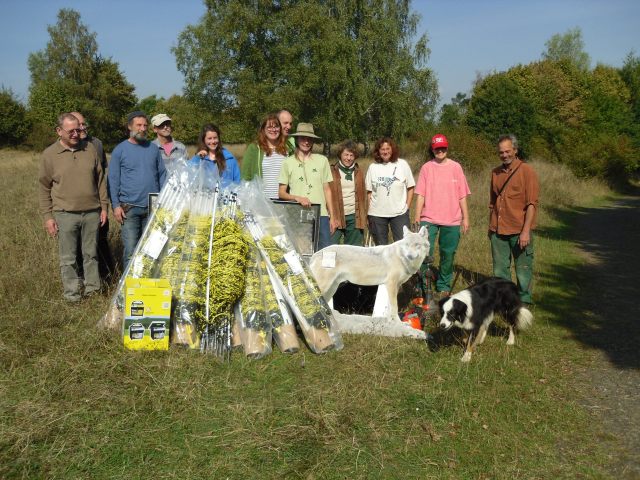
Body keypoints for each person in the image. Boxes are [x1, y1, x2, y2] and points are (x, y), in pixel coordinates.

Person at [38, 113, 108, 302]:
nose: (76, 134)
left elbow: (100, 180)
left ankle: (93, 291)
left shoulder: (90, 148)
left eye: (78, 129)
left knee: (91, 255)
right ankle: (72, 295)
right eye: (71, 131)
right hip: (65, 214)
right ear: (59, 131)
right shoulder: (50, 155)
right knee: (68, 259)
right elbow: (44, 187)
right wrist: (48, 217)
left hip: (92, 212)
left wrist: (104, 207)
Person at [414, 134, 471, 298]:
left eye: (443, 147)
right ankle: (422, 284)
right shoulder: (426, 168)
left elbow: (462, 195)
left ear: (447, 148)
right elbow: (420, 195)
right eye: (437, 148)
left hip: (452, 219)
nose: (440, 151)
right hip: (428, 219)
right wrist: (417, 217)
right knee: (424, 252)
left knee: (448, 253)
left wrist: (466, 218)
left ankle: (443, 285)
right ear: (432, 149)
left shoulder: (456, 167)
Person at [109, 111, 167, 267]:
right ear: (129, 127)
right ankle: (130, 288)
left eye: (145, 126)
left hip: (152, 208)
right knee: (131, 251)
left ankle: (148, 286)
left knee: (152, 250)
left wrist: (163, 201)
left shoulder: (153, 149)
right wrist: (115, 205)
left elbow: (162, 175)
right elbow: (113, 180)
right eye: (138, 125)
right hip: (129, 209)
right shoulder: (120, 150)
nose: (142, 128)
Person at [489, 134, 539, 305]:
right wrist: (491, 228)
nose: (504, 155)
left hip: (519, 231)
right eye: (501, 152)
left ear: (515, 150)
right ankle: (505, 302)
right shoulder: (495, 173)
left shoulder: (527, 171)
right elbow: (492, 202)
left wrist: (526, 232)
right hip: (498, 231)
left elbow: (532, 204)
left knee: (523, 269)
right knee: (499, 270)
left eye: (508, 151)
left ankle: (524, 304)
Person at [70, 111, 116, 280]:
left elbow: (101, 173)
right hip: (73, 207)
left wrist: (104, 204)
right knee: (76, 246)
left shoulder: (96, 144)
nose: (82, 128)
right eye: (78, 125)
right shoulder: (62, 147)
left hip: (96, 204)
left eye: (84, 124)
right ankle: (81, 278)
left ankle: (107, 277)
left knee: (101, 241)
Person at [278, 123, 337, 250]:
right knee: (301, 252)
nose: (306, 142)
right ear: (297, 139)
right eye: (303, 138)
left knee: (325, 252)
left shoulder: (322, 161)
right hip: (298, 214)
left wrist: (332, 216)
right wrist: (297, 198)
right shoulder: (287, 163)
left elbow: (327, 189)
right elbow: (281, 193)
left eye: (309, 139)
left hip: (321, 215)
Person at [365, 137, 415, 245]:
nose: (385, 151)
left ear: (392, 149)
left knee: (404, 245)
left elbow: (410, 187)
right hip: (377, 214)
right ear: (378, 151)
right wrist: (368, 214)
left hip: (399, 213)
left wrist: (406, 207)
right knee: (380, 248)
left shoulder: (402, 164)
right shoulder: (373, 167)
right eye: (382, 149)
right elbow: (369, 192)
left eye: (388, 148)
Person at [328, 140, 367, 246]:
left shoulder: (359, 172)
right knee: (330, 248)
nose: (348, 158)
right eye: (346, 155)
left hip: (354, 217)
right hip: (335, 216)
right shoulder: (331, 171)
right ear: (340, 155)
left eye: (351, 155)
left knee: (353, 251)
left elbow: (364, 196)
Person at [240, 113, 288, 198]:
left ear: (280, 129)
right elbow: (245, 176)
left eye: (276, 126)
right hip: (261, 201)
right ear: (263, 129)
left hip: (282, 201)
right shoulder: (254, 148)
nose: (273, 130)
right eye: (269, 127)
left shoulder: (287, 150)